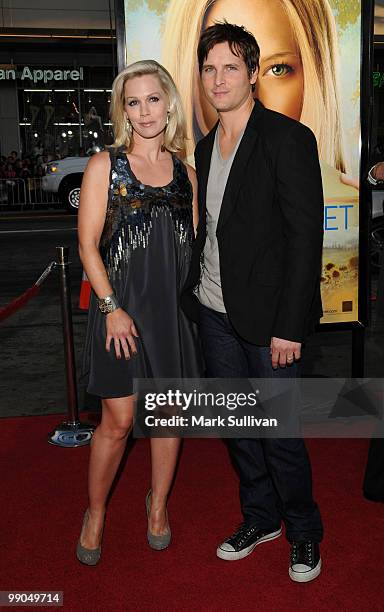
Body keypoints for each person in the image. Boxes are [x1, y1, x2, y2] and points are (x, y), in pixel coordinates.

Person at [181, 22, 324, 583]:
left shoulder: (288, 139)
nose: (218, 79)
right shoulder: (202, 144)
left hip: (270, 324)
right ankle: (260, 519)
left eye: (230, 68)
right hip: (214, 311)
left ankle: (305, 531)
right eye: (209, 68)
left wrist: (289, 327)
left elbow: (304, 238)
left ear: (252, 74)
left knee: (279, 431)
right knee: (239, 427)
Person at [77, 59, 202, 565]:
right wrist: (111, 308)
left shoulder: (188, 174)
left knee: (168, 414)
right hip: (120, 312)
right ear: (123, 110)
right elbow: (87, 246)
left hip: (172, 316)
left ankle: (157, 506)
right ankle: (96, 511)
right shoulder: (105, 166)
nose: (145, 110)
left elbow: (195, 250)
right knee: (119, 419)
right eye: (134, 101)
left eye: (154, 98)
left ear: (169, 103)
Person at [163, 0, 358, 193]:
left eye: (278, 69)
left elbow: (304, 224)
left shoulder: (294, 139)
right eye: (210, 69)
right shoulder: (203, 153)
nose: (219, 80)